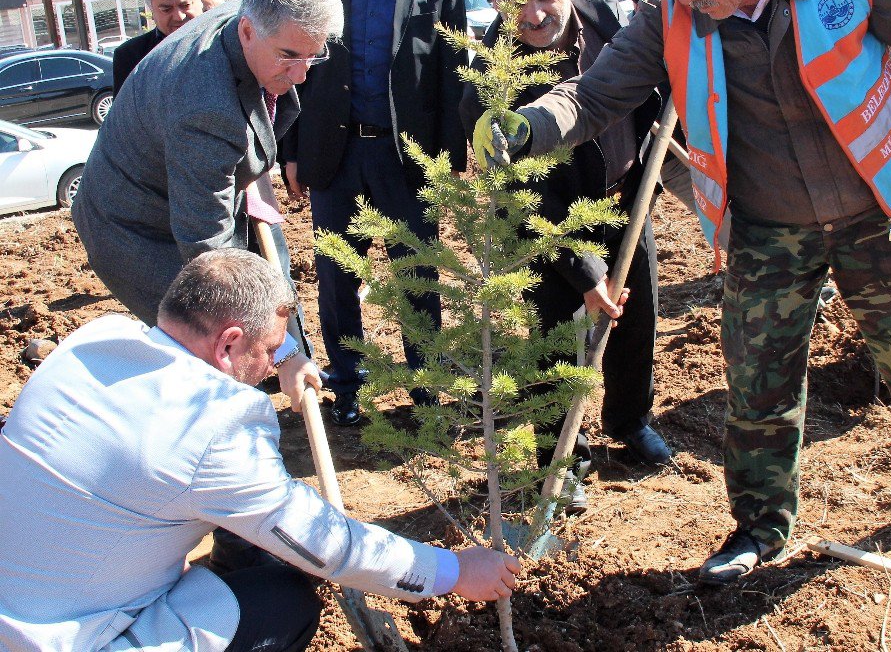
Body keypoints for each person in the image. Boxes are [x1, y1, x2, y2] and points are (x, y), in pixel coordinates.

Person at [476, 0, 891, 582]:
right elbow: (595, 95)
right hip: (768, 225)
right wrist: (530, 125)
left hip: (880, 210)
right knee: (758, 385)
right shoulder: (672, 13)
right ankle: (760, 527)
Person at [0, 249, 521, 652]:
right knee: (284, 603)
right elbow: (327, 545)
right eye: (272, 349)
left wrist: (290, 353)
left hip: (25, 593)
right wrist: (453, 572)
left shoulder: (95, 340)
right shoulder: (212, 425)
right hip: (65, 639)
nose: (274, 364)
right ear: (227, 345)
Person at [460, 0, 670, 514]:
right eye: (514, 2)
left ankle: (630, 421)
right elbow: (519, 204)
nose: (533, 13)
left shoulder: (607, 16)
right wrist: (583, 273)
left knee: (638, 316)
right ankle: (561, 459)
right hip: (550, 223)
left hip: (628, 193)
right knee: (555, 339)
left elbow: (658, 62)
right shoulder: (490, 82)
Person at [72, 0, 336, 409]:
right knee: (216, 349)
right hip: (135, 227)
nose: (303, 75)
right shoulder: (205, 106)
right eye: (291, 56)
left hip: (195, 183)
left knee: (266, 288)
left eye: (315, 55)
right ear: (248, 31)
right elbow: (211, 258)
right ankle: (208, 451)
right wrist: (284, 352)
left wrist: (290, 345)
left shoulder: (261, 10)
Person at [281, 0, 467, 426]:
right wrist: (292, 152)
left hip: (406, 158)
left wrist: (451, 160)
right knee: (337, 278)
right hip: (335, 157)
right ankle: (348, 387)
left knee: (417, 276)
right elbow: (298, 72)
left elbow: (451, 68)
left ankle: (426, 388)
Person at [112, 0, 202, 95]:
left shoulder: (227, 40)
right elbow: (124, 114)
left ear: (199, 1)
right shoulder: (130, 56)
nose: (179, 17)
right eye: (166, 9)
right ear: (151, 11)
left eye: (186, 5)